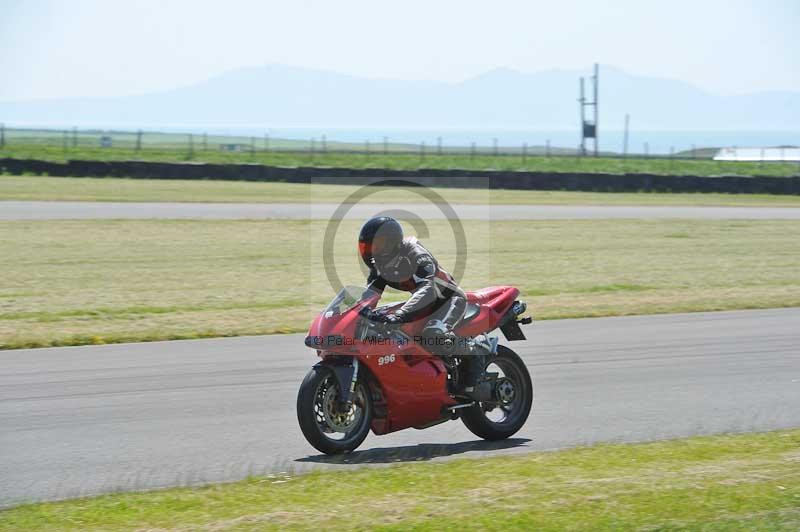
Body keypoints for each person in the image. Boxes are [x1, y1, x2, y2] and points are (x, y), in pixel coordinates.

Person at [357, 216, 489, 398]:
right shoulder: (380, 267)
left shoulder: (415, 252)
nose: (373, 251)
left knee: (432, 335)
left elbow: (428, 287)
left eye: (377, 245)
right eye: (368, 246)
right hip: (424, 304)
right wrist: (353, 314)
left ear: (392, 242)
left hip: (448, 300)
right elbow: (369, 296)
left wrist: (401, 314)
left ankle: (476, 349)